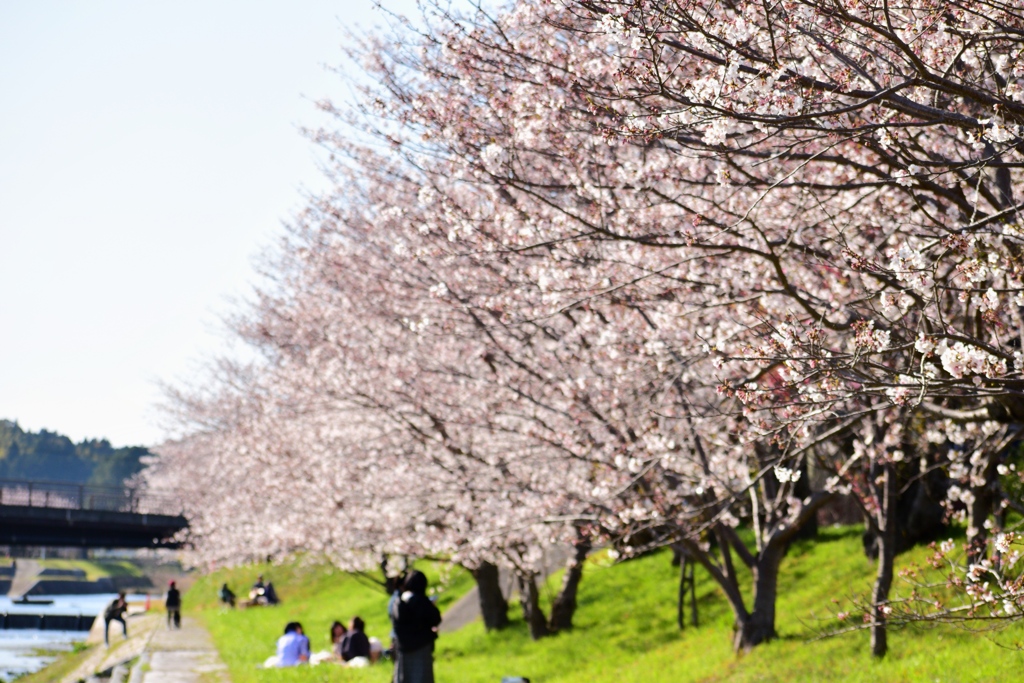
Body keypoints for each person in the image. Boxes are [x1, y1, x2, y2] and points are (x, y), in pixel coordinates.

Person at [390, 571, 442, 683]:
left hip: (403, 648)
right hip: (421, 646)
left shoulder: (397, 602)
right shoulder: (421, 601)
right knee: (422, 678)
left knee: (405, 678)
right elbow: (435, 619)